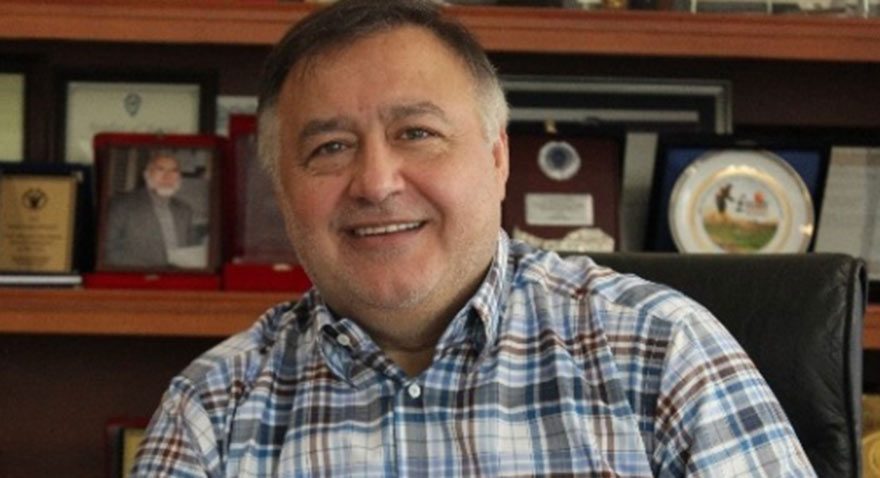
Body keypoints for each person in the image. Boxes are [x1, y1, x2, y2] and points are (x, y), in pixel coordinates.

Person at [133, 1, 816, 475]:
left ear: (497, 159)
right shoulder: (212, 410)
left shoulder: (662, 352)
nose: (376, 182)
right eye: (330, 147)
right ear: (282, 191)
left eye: (417, 133)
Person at [104, 152, 200, 268]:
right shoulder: (121, 205)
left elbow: (192, 248)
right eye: (160, 170)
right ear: (146, 175)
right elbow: (108, 250)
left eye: (174, 171)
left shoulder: (185, 210)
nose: (167, 177)